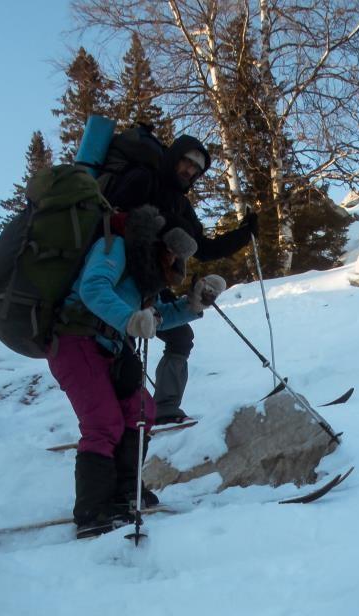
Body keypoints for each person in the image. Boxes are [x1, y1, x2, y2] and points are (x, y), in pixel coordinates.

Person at [50, 204, 226, 538]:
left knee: (140, 410)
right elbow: (94, 288)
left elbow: (157, 317)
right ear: (157, 238)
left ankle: (125, 493)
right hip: (75, 340)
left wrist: (192, 305)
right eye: (171, 246)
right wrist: (130, 319)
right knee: (103, 421)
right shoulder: (115, 246)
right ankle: (93, 508)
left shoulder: (148, 273)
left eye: (179, 254)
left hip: (112, 347)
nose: (173, 256)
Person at [106, 133, 259, 424]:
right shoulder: (143, 179)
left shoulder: (182, 204)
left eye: (196, 168)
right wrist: (165, 226)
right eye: (186, 162)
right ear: (173, 157)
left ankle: (164, 408)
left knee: (180, 337)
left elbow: (204, 249)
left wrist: (244, 234)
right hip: (119, 279)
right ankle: (115, 419)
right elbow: (115, 215)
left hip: (153, 283)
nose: (189, 170)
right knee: (118, 351)